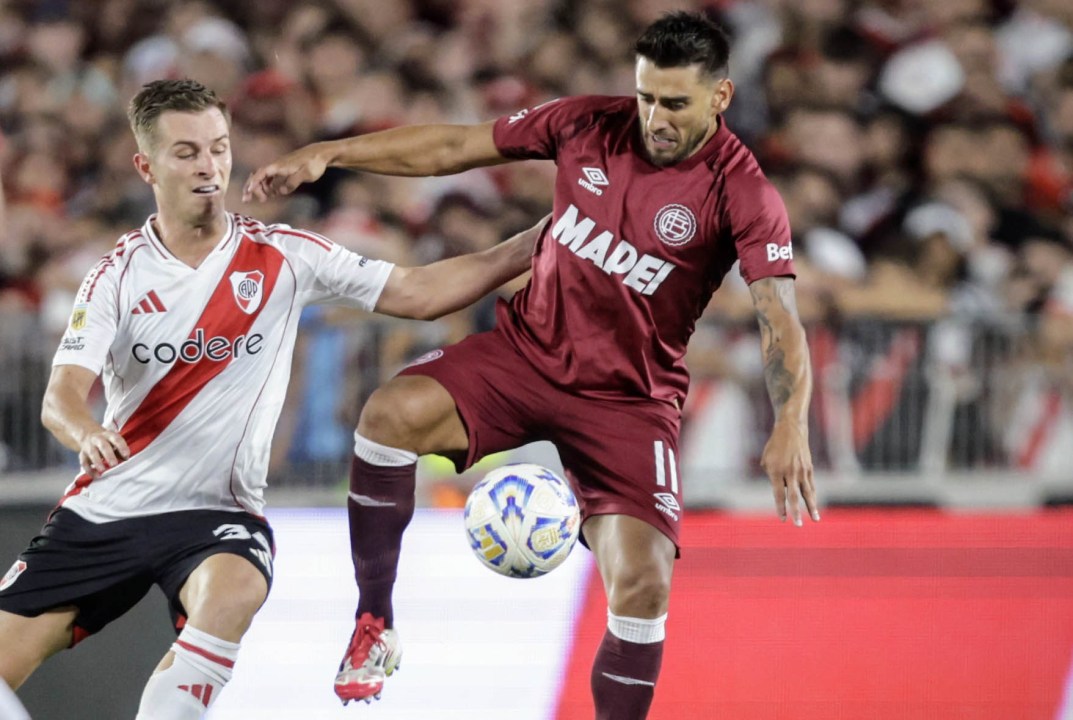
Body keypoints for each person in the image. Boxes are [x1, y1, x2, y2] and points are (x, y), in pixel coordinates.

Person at [245, 11, 819, 718]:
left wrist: (790, 420)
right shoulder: (586, 123)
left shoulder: (743, 191)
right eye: (646, 96)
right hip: (525, 355)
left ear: (720, 96)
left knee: (643, 584)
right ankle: (374, 622)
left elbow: (778, 317)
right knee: (389, 415)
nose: (654, 118)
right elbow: (454, 145)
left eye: (675, 103)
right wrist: (331, 152)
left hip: (628, 401)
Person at [0, 78, 539, 720]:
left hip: (217, 515)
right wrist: (86, 432)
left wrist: (537, 239)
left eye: (219, 148)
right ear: (146, 167)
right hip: (107, 510)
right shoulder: (115, 276)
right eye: (186, 152)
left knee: (234, 590)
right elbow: (60, 397)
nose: (209, 166)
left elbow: (419, 293)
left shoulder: (284, 256)